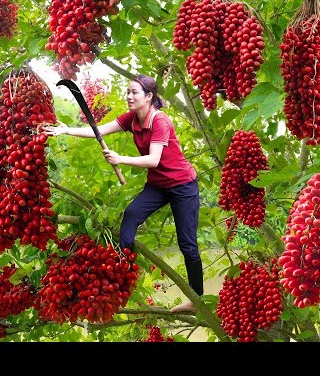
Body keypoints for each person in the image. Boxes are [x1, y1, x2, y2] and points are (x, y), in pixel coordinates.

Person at [43, 75, 203, 313]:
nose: (129, 96)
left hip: (182, 186)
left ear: (149, 97)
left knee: (187, 244)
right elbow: (100, 130)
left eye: (135, 93)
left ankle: (196, 299)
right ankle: (122, 273)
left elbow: (153, 159)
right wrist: (67, 131)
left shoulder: (160, 121)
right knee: (131, 215)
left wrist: (120, 159)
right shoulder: (132, 119)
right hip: (158, 186)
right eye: (128, 92)